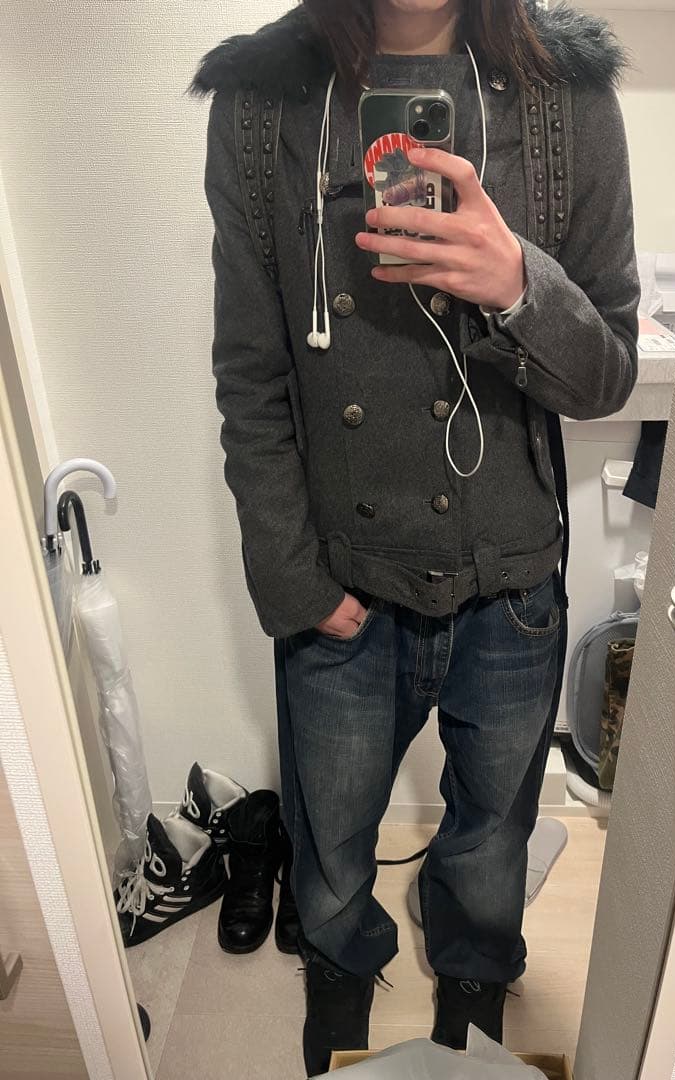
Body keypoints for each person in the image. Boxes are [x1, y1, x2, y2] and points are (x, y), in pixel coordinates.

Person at [193, 0, 639, 1073]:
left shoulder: (565, 94)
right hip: (342, 575)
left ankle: (476, 964)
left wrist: (517, 284)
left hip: (511, 574)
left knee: (493, 832)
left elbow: (607, 374)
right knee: (333, 832)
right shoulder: (262, 100)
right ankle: (340, 958)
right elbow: (251, 375)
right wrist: (295, 581)